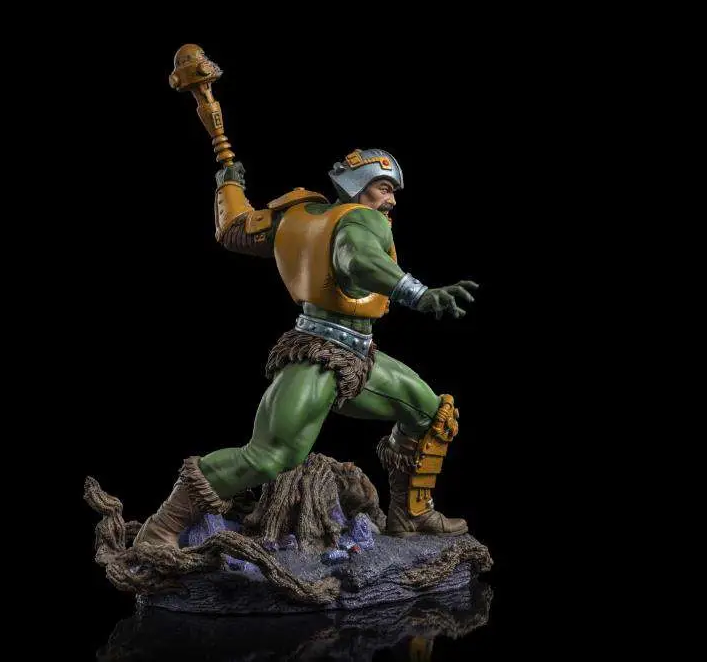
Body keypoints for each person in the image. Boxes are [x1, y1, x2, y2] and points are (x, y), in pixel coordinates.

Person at [134, 148, 479, 548]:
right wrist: (419, 294)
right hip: (318, 357)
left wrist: (229, 184)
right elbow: (358, 259)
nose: (391, 201)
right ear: (358, 185)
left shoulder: (294, 214)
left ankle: (410, 515)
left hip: (357, 355)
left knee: (430, 414)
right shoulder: (362, 220)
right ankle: (161, 528)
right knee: (268, 457)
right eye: (384, 188)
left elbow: (235, 228)